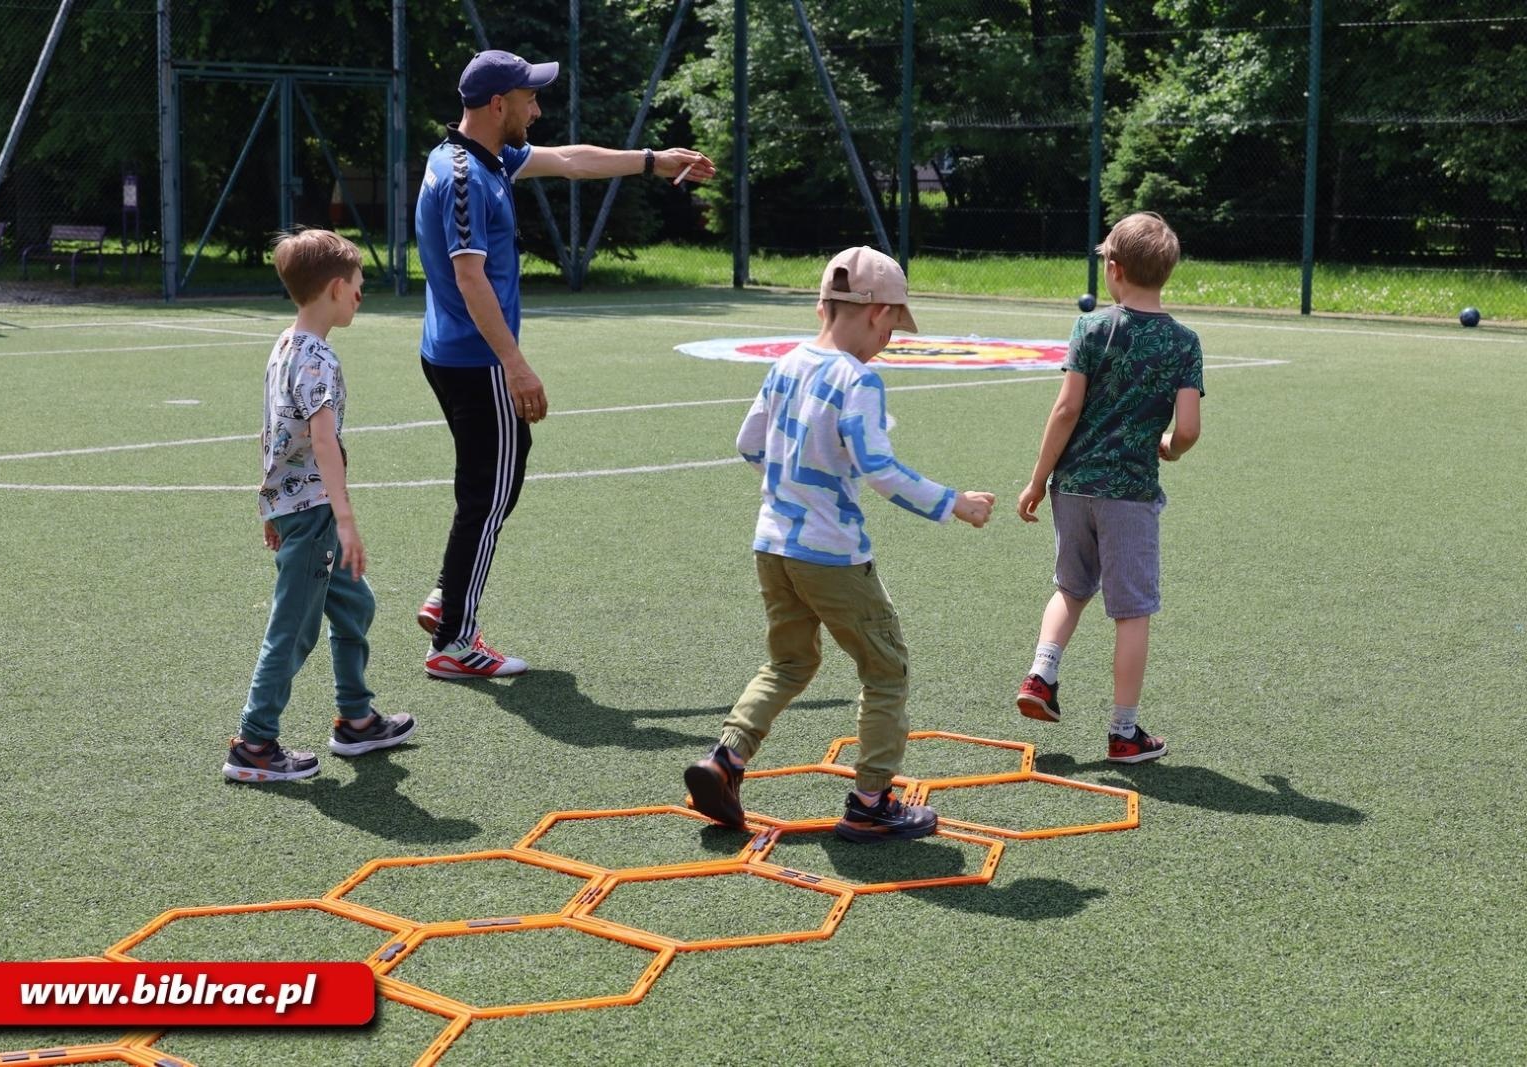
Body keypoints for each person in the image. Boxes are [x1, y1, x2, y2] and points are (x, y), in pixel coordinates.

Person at [414, 49, 716, 679]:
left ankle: (449, 593)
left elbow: (572, 160)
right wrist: (515, 366)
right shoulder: (466, 177)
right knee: (487, 493)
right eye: (530, 97)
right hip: (476, 362)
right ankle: (453, 640)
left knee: (498, 475)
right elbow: (471, 281)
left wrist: (653, 162)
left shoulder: (480, 157)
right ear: (499, 105)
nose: (538, 107)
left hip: (455, 356)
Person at [684, 246, 996, 843]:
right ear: (878, 313)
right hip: (831, 553)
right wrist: (955, 502)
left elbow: (749, 444)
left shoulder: (786, 364)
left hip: (772, 543)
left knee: (788, 662)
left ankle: (725, 759)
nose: (889, 341)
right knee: (885, 669)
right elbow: (879, 470)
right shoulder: (859, 379)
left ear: (824, 304)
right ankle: (871, 801)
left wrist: (794, 489)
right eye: (893, 328)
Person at [224, 229, 415, 783]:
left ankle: (356, 719)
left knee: (354, 605)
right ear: (335, 288)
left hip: (298, 510)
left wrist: (270, 507)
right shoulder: (315, 360)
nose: (361, 295)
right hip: (312, 515)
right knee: (294, 627)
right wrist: (346, 521)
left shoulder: (285, 345)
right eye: (358, 286)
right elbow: (322, 441)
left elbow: (272, 434)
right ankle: (255, 744)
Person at [1013, 211, 1203, 764]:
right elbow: (1188, 428)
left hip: (1071, 487)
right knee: (1131, 611)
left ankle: (1042, 674)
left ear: (1113, 270)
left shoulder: (1090, 327)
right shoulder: (1184, 343)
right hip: (1129, 494)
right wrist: (1169, 446)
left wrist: (1037, 478)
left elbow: (1067, 407)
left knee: (1070, 587)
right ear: (1165, 273)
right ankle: (1124, 732)